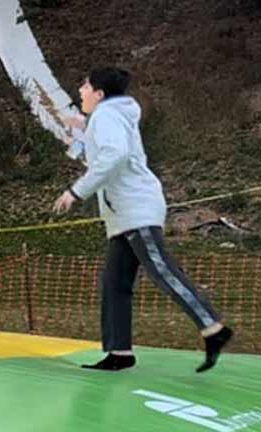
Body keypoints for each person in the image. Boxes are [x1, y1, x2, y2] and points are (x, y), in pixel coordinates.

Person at [54, 67, 233, 372]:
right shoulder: (109, 116)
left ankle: (214, 328)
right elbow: (109, 145)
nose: (80, 91)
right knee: (114, 283)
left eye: (84, 86)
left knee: (162, 270)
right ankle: (119, 352)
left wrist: (76, 191)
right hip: (123, 214)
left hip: (136, 208)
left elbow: (115, 155)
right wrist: (83, 126)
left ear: (99, 94)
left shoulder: (106, 116)